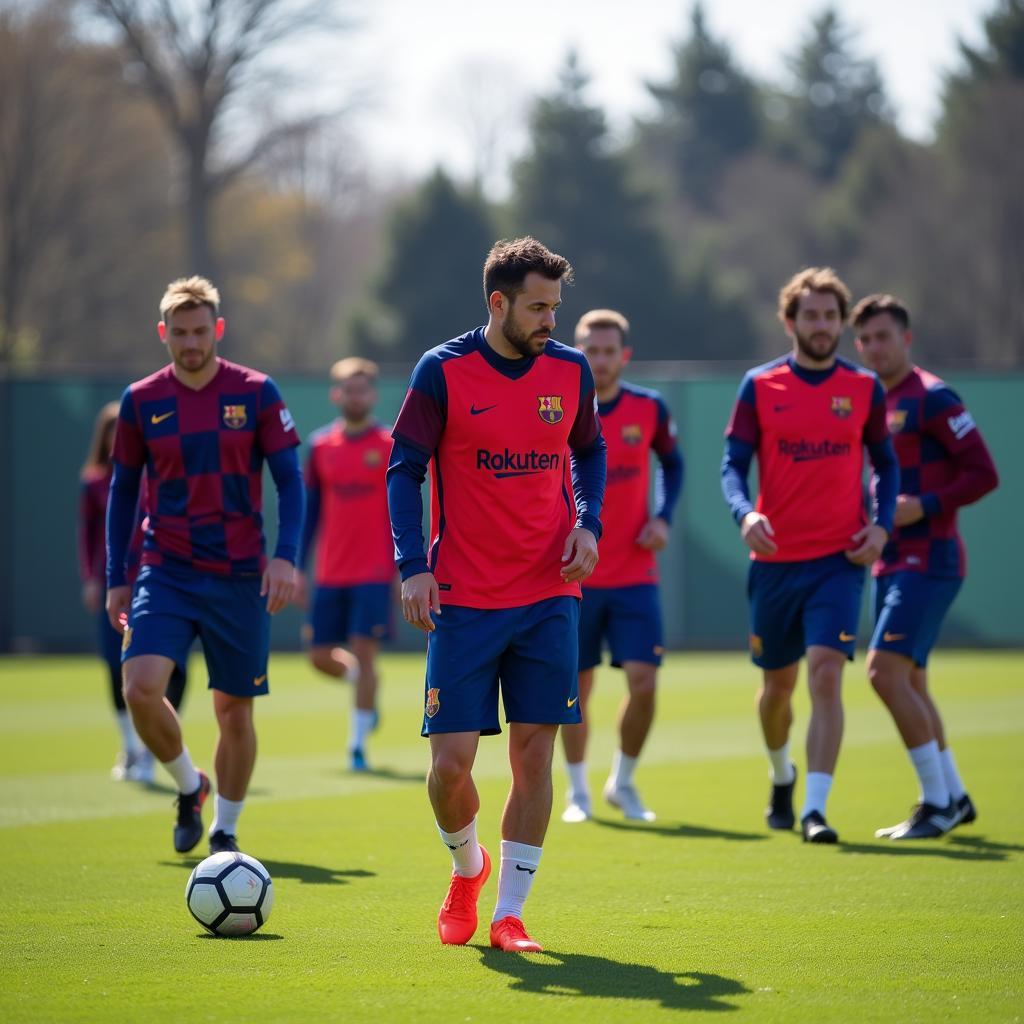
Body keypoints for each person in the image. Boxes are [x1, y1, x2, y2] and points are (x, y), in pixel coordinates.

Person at [387, 237, 606, 952]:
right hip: (464, 596)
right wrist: (412, 564)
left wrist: (588, 523)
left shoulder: (571, 371)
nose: (551, 320)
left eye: (556, 306)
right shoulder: (441, 371)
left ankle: (510, 913)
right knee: (449, 769)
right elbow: (404, 469)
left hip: (549, 594)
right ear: (498, 302)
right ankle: (468, 868)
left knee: (533, 757)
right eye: (538, 307)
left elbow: (590, 451)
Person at [105, 276, 304, 856]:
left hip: (240, 574)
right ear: (163, 333)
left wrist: (286, 558)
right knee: (140, 688)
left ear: (217, 330)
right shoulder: (141, 399)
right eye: (180, 333)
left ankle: (227, 829)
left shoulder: (258, 392)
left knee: (233, 714)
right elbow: (122, 492)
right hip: (164, 568)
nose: (191, 343)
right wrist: (118, 575)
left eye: (201, 331)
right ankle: (190, 785)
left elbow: (291, 483)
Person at [721, 267, 898, 844]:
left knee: (826, 675)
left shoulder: (865, 388)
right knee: (776, 690)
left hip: (838, 562)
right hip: (773, 564)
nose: (821, 326)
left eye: (830, 316)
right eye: (810, 315)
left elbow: (887, 466)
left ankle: (816, 809)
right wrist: (745, 513)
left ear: (840, 323)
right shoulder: (759, 385)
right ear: (790, 320)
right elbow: (731, 468)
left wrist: (882, 526)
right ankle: (781, 775)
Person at [852, 294, 999, 839]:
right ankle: (954, 795)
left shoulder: (934, 397)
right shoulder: (869, 399)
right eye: (864, 339)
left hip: (929, 558)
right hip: (890, 559)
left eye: (882, 336)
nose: (872, 348)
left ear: (906, 339)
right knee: (911, 678)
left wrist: (925, 504)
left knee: (882, 673)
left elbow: (984, 472)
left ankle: (935, 803)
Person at [559, 309, 684, 824]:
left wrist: (662, 516)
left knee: (645, 682)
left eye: (610, 351)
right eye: (591, 349)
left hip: (635, 573)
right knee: (574, 691)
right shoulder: (557, 406)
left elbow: (673, 464)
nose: (601, 359)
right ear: (577, 349)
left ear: (624, 356)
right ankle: (577, 792)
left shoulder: (649, 407)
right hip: (574, 576)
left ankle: (623, 783)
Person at [78, 402, 188, 783]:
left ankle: (154, 746)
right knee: (117, 664)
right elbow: (89, 535)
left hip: (162, 581)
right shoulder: (94, 483)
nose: (117, 438)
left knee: (175, 668)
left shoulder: (157, 475)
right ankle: (131, 745)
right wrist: (95, 578)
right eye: (111, 430)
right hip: (119, 585)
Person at [296, 357, 394, 772]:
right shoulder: (320, 447)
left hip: (373, 571)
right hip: (330, 572)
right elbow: (309, 512)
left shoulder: (389, 445)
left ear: (372, 395)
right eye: (347, 389)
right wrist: (297, 566)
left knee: (365, 651)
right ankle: (364, 685)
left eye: (362, 389)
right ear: (336, 395)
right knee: (319, 655)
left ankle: (356, 747)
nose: (355, 396)